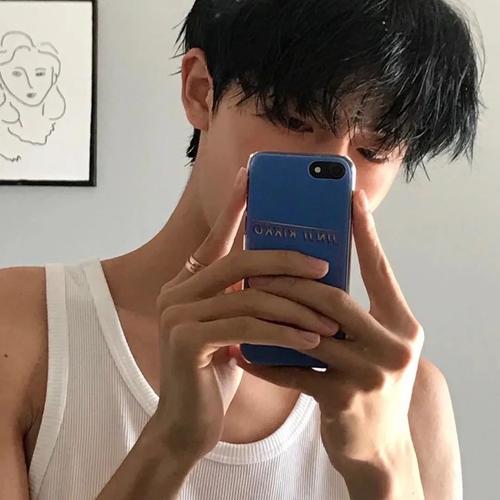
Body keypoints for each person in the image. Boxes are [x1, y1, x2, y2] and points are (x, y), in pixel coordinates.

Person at [0, 0, 481, 499]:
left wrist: (384, 467)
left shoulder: (411, 398)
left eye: (374, 150)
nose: (335, 168)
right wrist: (170, 444)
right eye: (295, 120)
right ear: (200, 90)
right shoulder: (22, 326)